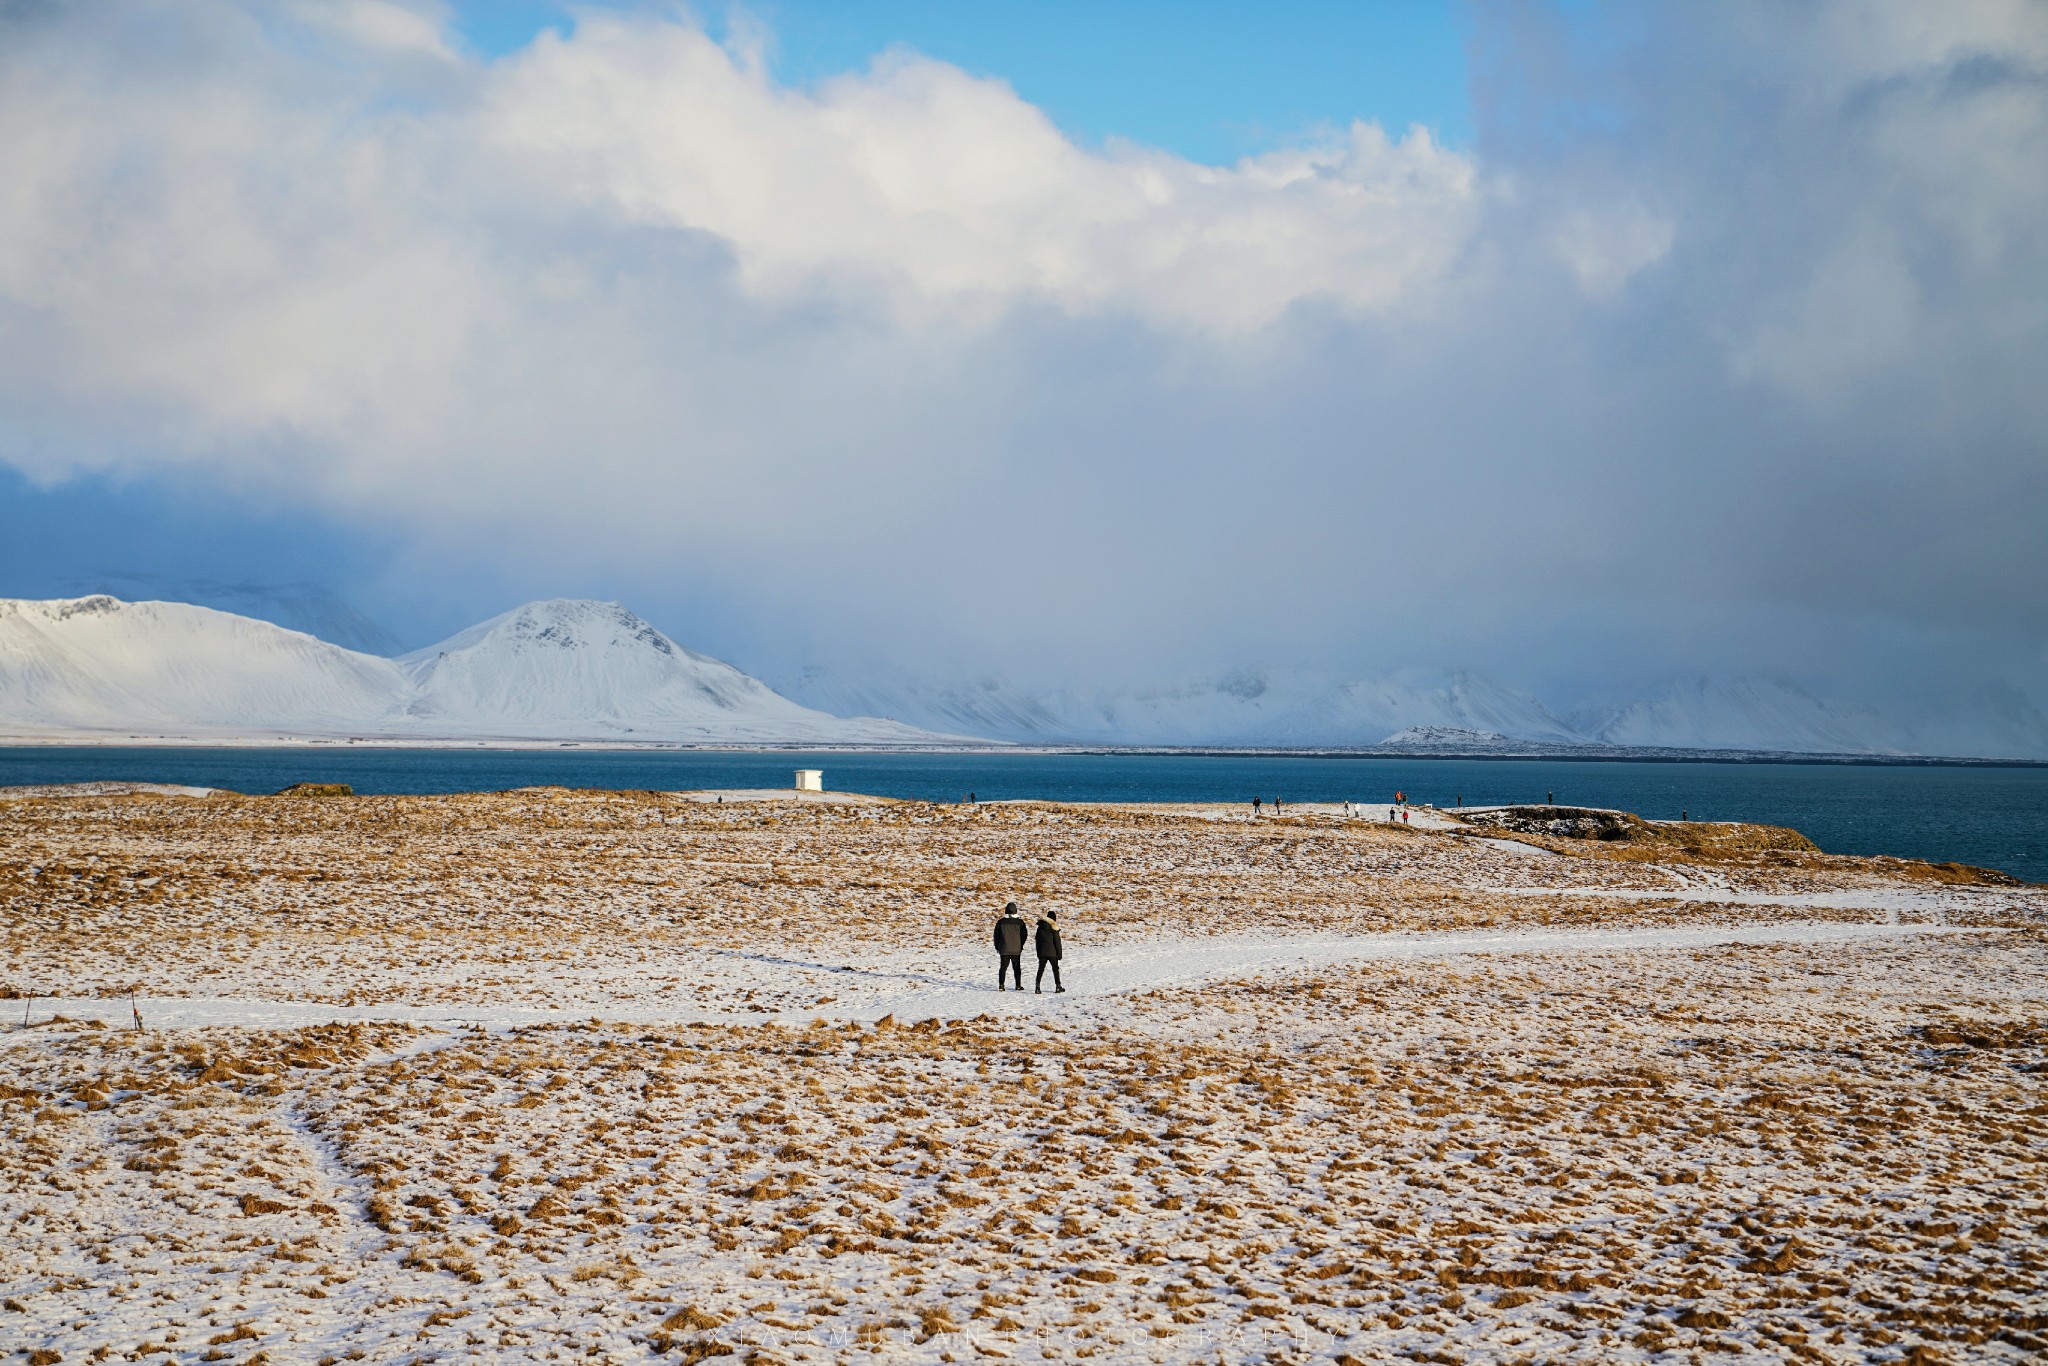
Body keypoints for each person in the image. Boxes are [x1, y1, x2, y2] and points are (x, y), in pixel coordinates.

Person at [994, 901, 1028, 990]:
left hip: (1004, 949)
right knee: (1017, 968)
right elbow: (1024, 935)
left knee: (1003, 968)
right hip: (1016, 949)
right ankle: (1018, 985)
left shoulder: (1001, 922)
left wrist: (997, 947)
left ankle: (1001, 985)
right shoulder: (1020, 922)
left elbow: (996, 936)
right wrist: (1020, 945)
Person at [1034, 909, 1064, 994]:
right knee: (1055, 969)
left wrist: (1039, 953)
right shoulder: (1054, 928)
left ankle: (1037, 987)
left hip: (1042, 953)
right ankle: (1058, 986)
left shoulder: (1040, 928)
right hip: (1052, 953)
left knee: (1040, 969)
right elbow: (1057, 942)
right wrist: (1059, 954)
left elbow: (1037, 942)